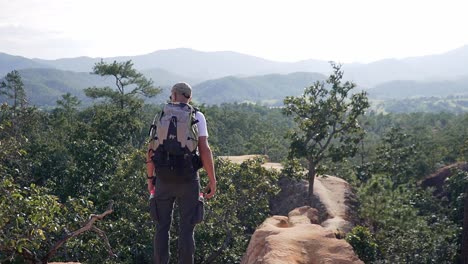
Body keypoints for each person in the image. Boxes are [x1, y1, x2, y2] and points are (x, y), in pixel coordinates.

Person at [146, 82, 217, 264]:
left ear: (174, 95)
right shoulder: (197, 116)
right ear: (189, 97)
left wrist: (150, 178)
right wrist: (212, 179)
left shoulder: (161, 114)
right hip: (188, 180)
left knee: (162, 227)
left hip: (163, 180)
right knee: (187, 230)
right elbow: (204, 149)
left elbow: (151, 150)